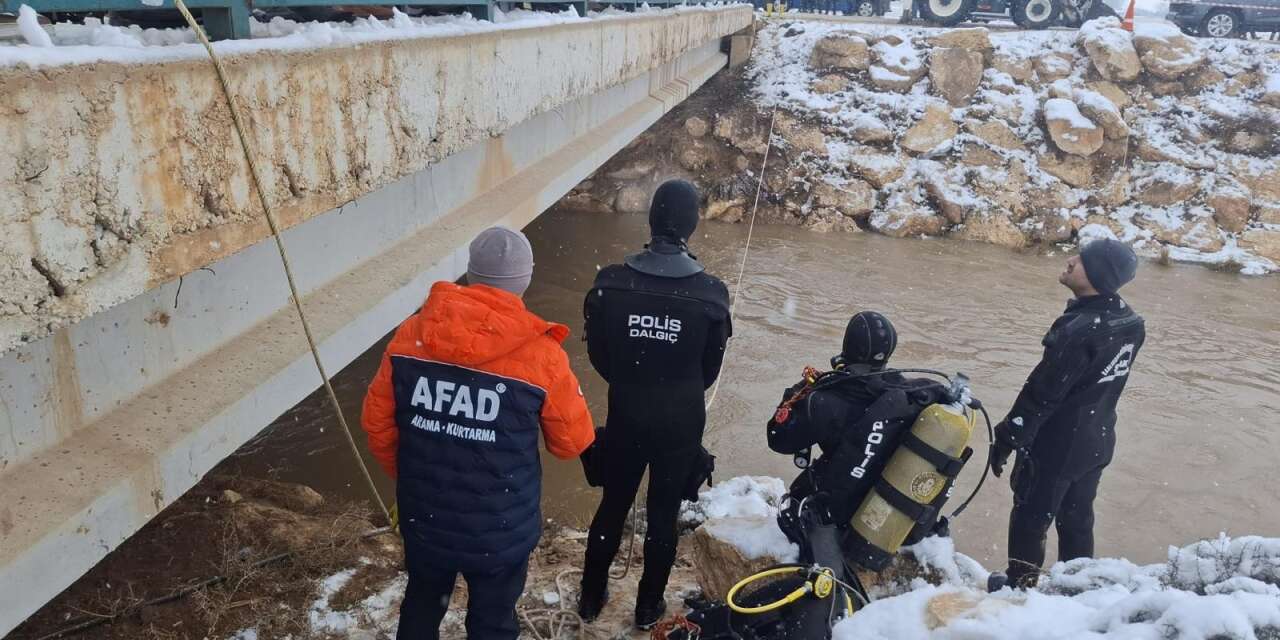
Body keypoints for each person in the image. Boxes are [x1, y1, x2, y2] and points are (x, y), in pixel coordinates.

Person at [361, 226, 595, 639]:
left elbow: (377, 427)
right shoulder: (543, 357)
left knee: (420, 607)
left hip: (425, 518)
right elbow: (571, 443)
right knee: (492, 622)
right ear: (524, 280)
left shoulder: (409, 337)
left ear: (470, 274)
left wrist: (417, 481)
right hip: (501, 529)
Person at [577, 180, 732, 629]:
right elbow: (709, 371)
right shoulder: (711, 295)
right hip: (681, 419)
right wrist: (671, 386)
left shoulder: (610, 283)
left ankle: (590, 598)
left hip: (627, 410)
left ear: (652, 219)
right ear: (691, 225)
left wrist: (634, 380)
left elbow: (600, 357)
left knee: (613, 504)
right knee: (663, 514)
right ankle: (648, 607)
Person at [989, 237, 1144, 590]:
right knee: (1077, 519)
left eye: (1083, 260)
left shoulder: (1078, 330)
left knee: (1031, 517)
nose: (1071, 260)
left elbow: (1042, 395)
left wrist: (1007, 436)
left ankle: (1019, 589)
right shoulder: (1131, 322)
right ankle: (1077, 589)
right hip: (1098, 438)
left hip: (1058, 445)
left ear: (1099, 276)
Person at [765, 312, 954, 565]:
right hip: (886, 498)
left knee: (801, 493)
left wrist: (800, 390)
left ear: (847, 346)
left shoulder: (823, 400)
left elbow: (778, 439)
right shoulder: (911, 393)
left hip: (840, 509)